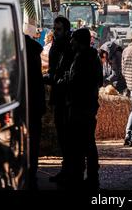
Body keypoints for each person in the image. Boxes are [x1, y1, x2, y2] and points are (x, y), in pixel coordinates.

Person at [65, 28, 103, 189]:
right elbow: (99, 81)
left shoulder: (82, 59)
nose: (71, 42)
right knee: (88, 142)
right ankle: (91, 175)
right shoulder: (93, 57)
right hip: (89, 104)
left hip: (81, 105)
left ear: (79, 42)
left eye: (73, 39)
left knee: (81, 142)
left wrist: (63, 80)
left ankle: (82, 175)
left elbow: (75, 82)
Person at [47, 16, 73, 184]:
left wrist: (54, 78)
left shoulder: (68, 47)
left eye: (58, 29)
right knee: (62, 135)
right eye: (54, 29)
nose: (55, 32)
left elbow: (65, 72)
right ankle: (67, 169)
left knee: (67, 136)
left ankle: (69, 170)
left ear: (66, 30)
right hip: (58, 94)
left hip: (66, 97)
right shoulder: (56, 45)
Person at [25, 35, 46, 190]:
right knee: (34, 139)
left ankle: (28, 172)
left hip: (26, 103)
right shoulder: (34, 52)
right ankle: (32, 171)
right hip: (36, 103)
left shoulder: (22, 52)